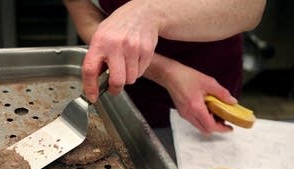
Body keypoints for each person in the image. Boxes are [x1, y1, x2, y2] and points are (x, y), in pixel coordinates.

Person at [63, 0, 266, 134]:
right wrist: (168, 73)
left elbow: (250, 8)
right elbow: (88, 20)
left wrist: (150, 11)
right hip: (128, 83)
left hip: (207, 80)